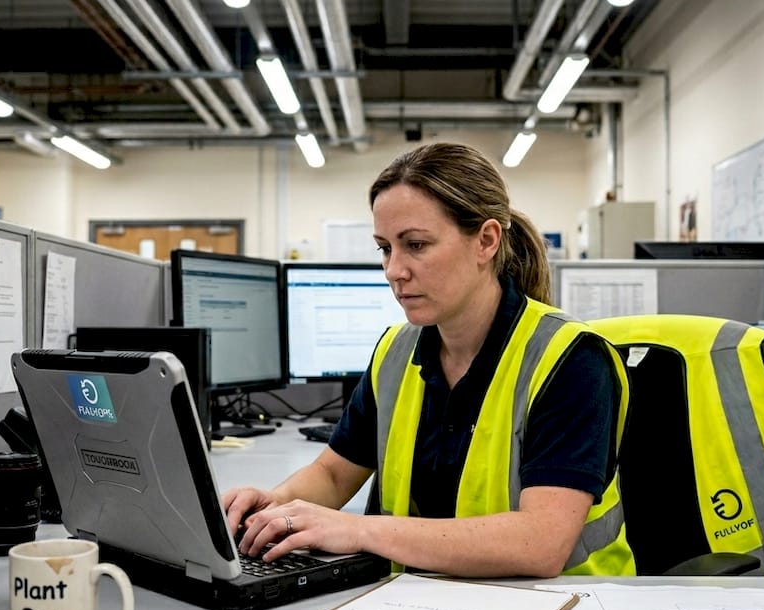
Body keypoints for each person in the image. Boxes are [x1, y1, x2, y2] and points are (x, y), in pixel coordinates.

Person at [222, 142, 634, 578]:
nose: (394, 270)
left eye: (415, 245)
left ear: (486, 241)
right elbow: (333, 473)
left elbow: (541, 543)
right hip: (432, 605)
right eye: (385, 248)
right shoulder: (395, 352)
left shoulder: (570, 361)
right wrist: (277, 504)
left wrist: (361, 530)